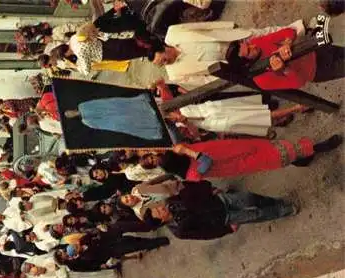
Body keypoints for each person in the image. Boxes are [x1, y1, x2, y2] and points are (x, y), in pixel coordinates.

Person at [150, 20, 305, 86]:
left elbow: (202, 26)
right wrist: (228, 74)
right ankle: (297, 58)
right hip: (229, 61)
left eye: (163, 59)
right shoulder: (175, 74)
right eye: (161, 65)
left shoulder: (173, 33)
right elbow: (203, 81)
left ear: (164, 48)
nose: (165, 63)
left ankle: (298, 30)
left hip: (226, 38)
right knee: (264, 57)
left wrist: (228, 26)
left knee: (262, 34)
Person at [138, 135, 343, 181]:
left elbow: (172, 132)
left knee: (280, 147)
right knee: (280, 154)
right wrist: (189, 152)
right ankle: (319, 147)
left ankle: (302, 158)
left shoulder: (178, 149)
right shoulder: (190, 174)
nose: (154, 159)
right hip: (243, 163)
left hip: (238, 147)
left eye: (152, 157)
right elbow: (206, 161)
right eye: (152, 163)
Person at [143, 180, 298, 239]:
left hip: (220, 200)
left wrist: (210, 189)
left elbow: (190, 188)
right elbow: (205, 234)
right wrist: (228, 230)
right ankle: (283, 210)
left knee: (250, 198)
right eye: (159, 211)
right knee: (255, 214)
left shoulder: (172, 201)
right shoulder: (179, 230)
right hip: (225, 218)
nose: (161, 207)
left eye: (158, 207)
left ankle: (275, 202)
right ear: (161, 220)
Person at [154, 79, 308, 138]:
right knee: (254, 119)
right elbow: (196, 135)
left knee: (252, 111)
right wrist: (186, 123)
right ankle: (296, 108)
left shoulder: (168, 105)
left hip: (213, 107)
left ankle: (278, 119)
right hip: (215, 121)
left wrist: (159, 86)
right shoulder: (173, 130)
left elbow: (164, 86)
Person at [225, 27, 345, 90]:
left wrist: (287, 43)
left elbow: (289, 31)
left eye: (248, 44)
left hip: (314, 51)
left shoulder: (256, 42)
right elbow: (299, 82)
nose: (253, 45)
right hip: (318, 70)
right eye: (249, 50)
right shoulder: (261, 81)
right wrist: (284, 69)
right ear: (246, 62)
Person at [64, 93, 164, 140]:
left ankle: (153, 106)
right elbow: (102, 125)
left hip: (110, 106)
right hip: (112, 120)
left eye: (69, 112)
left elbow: (98, 103)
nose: (71, 113)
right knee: (130, 120)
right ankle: (153, 122)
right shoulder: (86, 121)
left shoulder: (82, 105)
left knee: (129, 106)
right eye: (69, 115)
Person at [69, 22, 151, 75]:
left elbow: (86, 70)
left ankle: (155, 52)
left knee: (135, 52)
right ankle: (152, 44)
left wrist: (77, 67)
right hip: (107, 42)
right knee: (133, 43)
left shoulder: (79, 51)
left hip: (108, 53)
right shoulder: (73, 38)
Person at [119, 174, 184, 219]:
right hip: (179, 203)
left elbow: (154, 180)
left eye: (126, 196)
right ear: (130, 207)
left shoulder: (138, 189)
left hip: (177, 186)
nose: (129, 198)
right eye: (127, 201)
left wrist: (170, 176)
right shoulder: (142, 212)